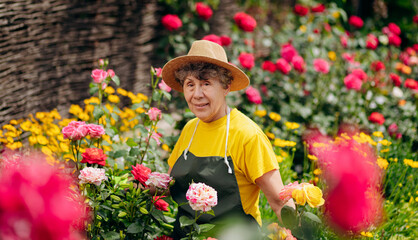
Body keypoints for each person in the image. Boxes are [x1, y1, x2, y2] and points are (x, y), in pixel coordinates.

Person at [161, 40, 293, 239]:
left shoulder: (247, 135)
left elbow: (279, 201)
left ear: (226, 87)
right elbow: (169, 184)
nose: (197, 94)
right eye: (190, 84)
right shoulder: (190, 129)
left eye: (206, 83)